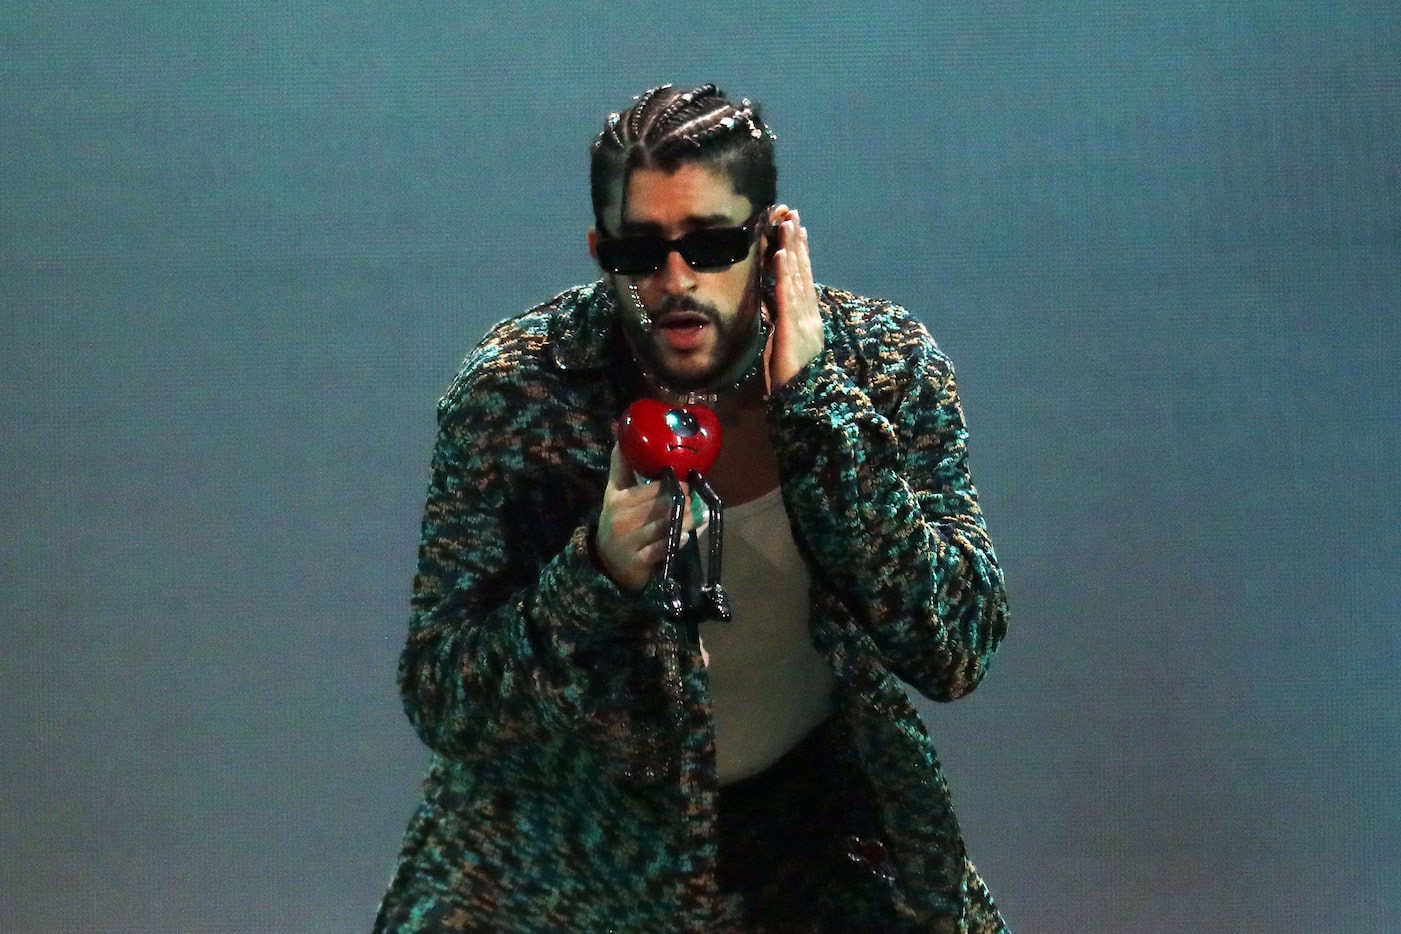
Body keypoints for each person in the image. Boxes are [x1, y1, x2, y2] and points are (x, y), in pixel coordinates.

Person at [374, 83, 1010, 933]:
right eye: (639, 253)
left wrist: (818, 413)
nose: (676, 281)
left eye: (710, 244)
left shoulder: (880, 368)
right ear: (599, 249)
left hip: (807, 850)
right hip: (556, 867)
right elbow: (443, 698)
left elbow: (953, 649)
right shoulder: (520, 389)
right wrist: (591, 580)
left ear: (771, 236)